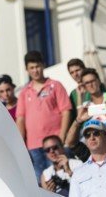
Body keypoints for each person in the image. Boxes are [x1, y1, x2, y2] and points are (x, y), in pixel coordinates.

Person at [16, 51, 72, 182]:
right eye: (32, 68)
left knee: (61, 182)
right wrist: (20, 144)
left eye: (38, 66)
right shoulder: (24, 92)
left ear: (43, 65)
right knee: (40, 184)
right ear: (26, 69)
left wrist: (62, 137)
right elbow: (20, 119)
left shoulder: (55, 85)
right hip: (33, 146)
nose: (35, 70)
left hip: (54, 144)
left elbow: (66, 111)